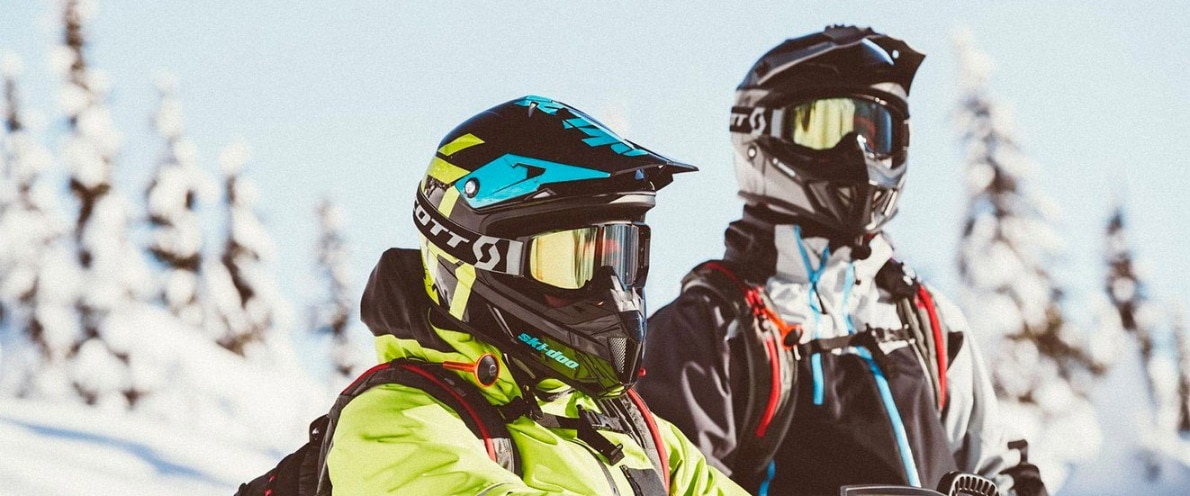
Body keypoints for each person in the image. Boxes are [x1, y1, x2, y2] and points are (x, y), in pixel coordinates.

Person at [637, 26, 1048, 496]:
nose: (857, 155)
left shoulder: (924, 318)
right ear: (758, 133)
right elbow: (673, 481)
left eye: (875, 132)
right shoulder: (711, 329)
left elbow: (995, 468)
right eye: (824, 128)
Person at [329, 95, 748, 495]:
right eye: (572, 263)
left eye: (622, 258)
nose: (613, 293)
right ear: (484, 260)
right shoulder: (392, 426)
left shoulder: (633, 427)